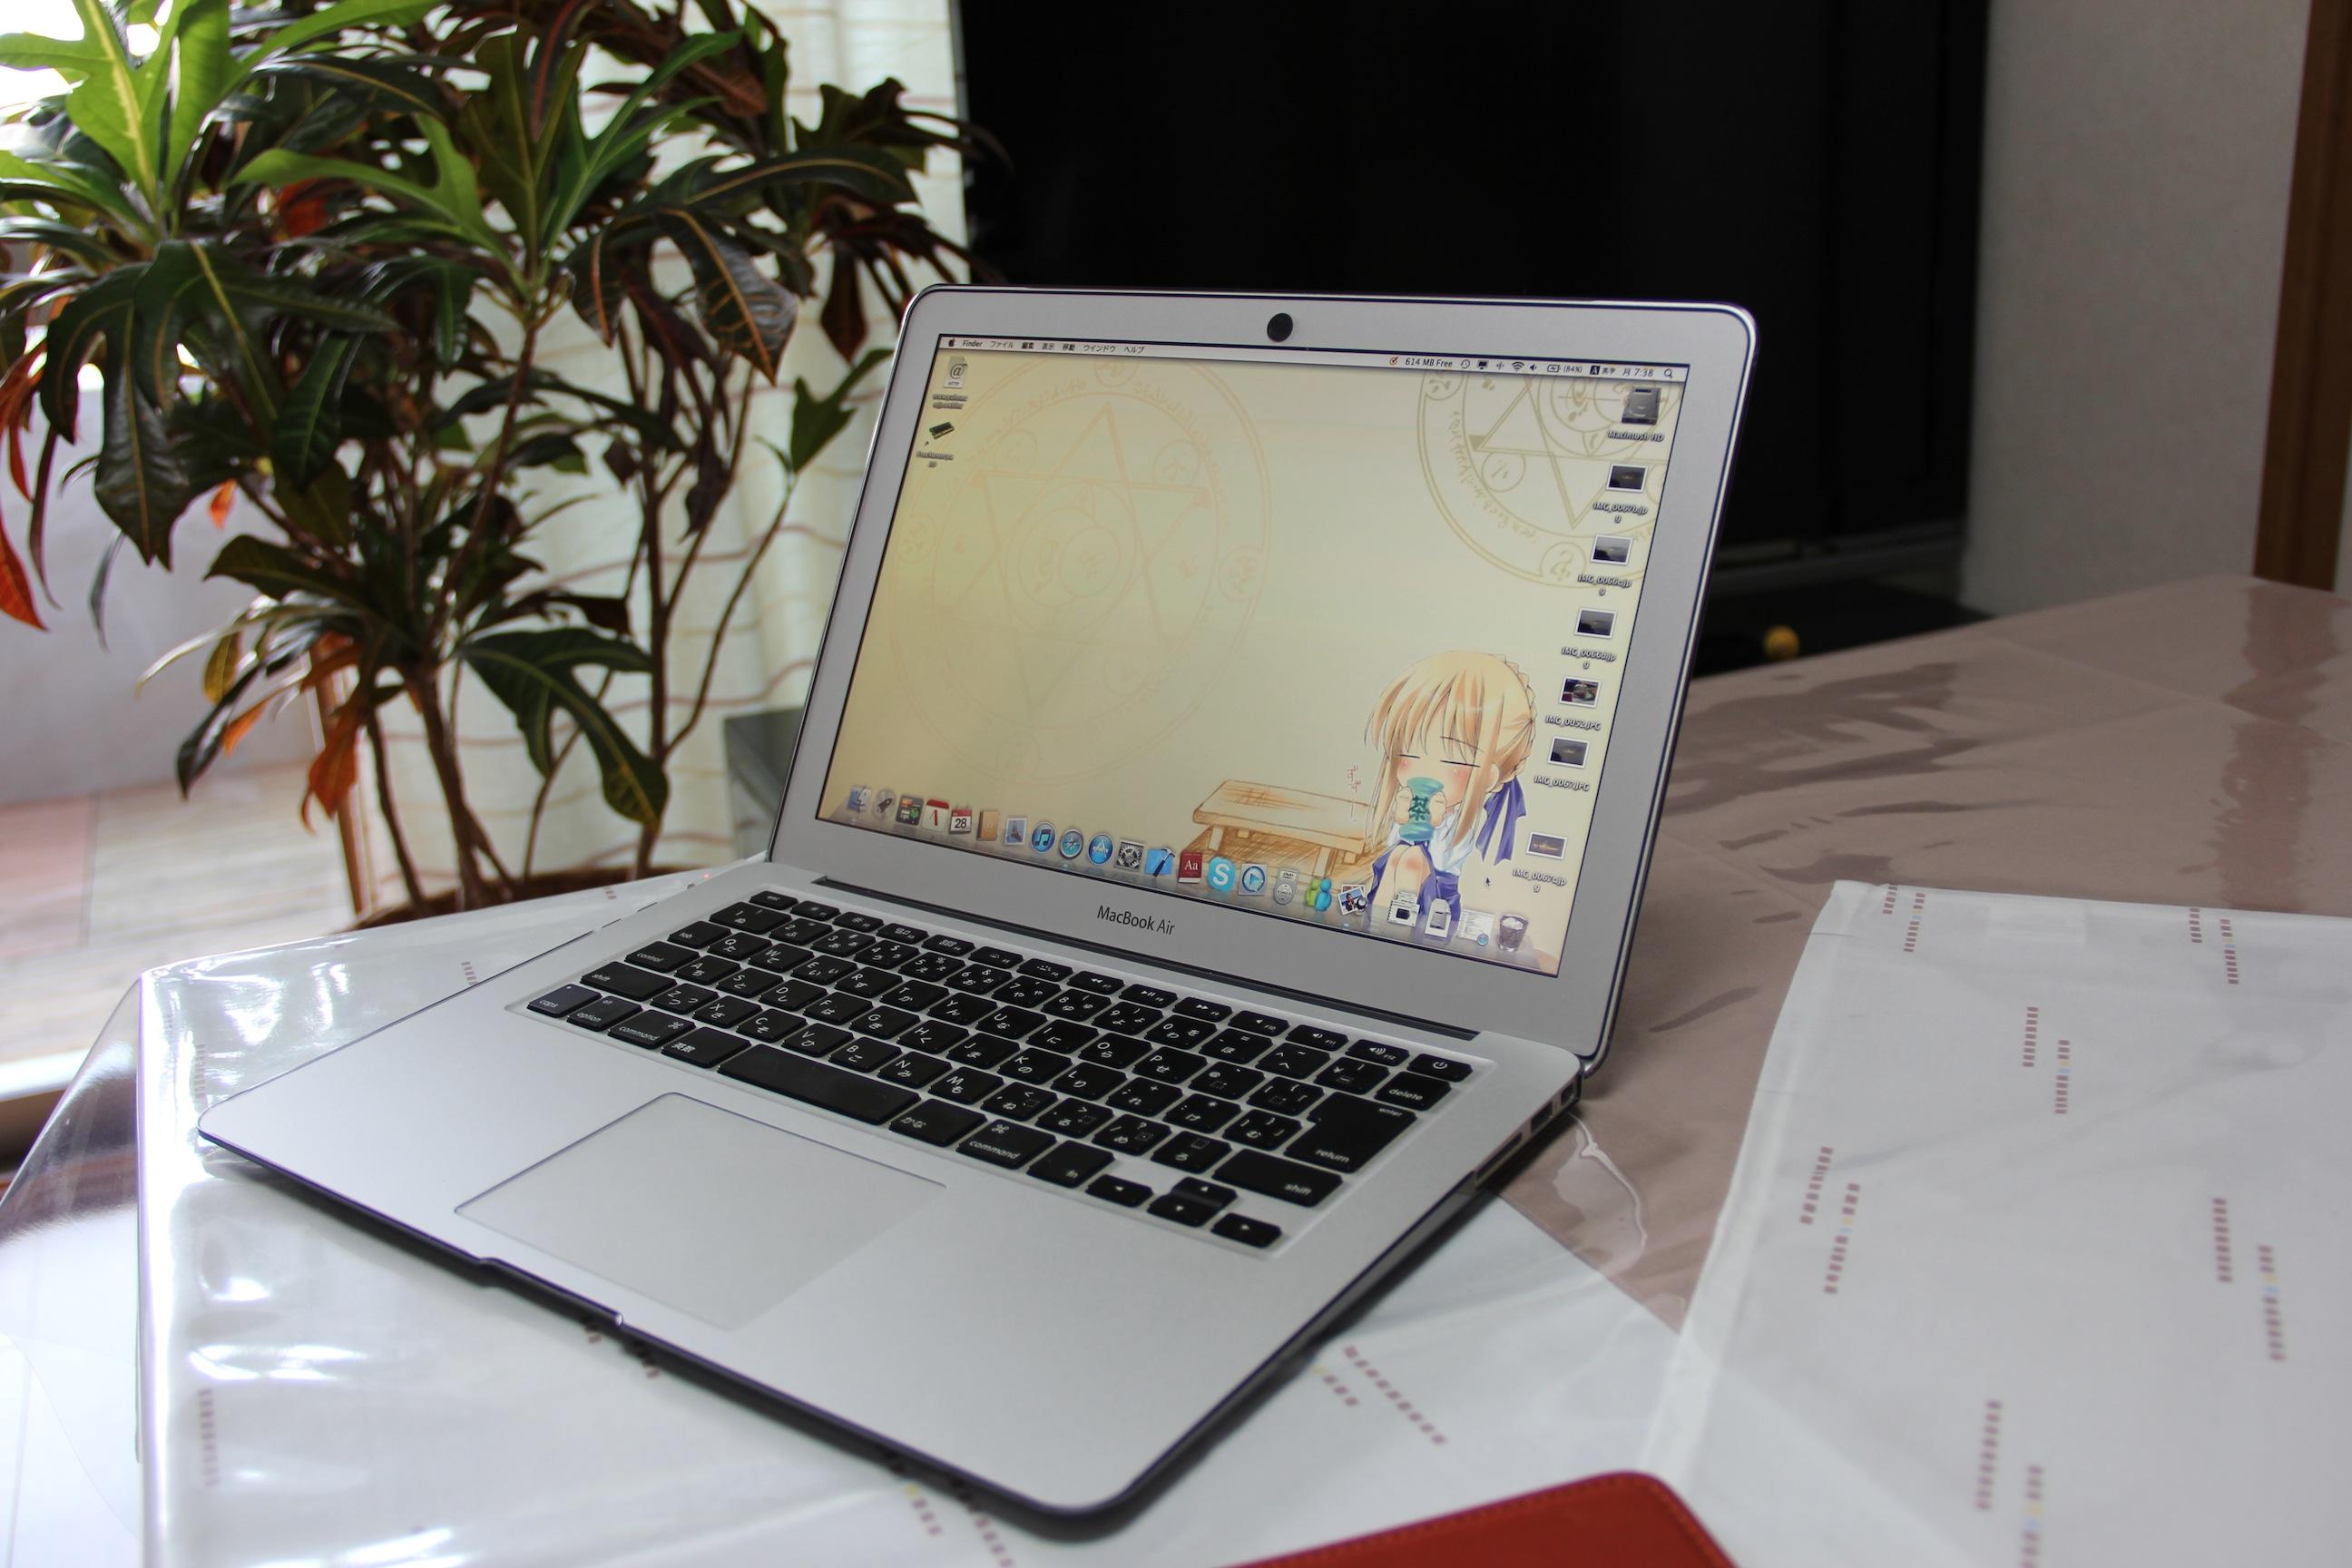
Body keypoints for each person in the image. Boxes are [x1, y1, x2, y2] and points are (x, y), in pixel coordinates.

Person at [1362, 651, 1535, 934]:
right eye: (1408, 754)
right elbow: (1396, 841)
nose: (1423, 772)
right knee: (1400, 856)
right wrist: (1402, 815)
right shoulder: (1409, 799)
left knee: (1411, 861)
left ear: (1489, 776)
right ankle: (1374, 929)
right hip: (1395, 878)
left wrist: (1435, 821)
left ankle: (1390, 935)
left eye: (1450, 760)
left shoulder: (1465, 822)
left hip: (1437, 899)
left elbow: (1444, 859)